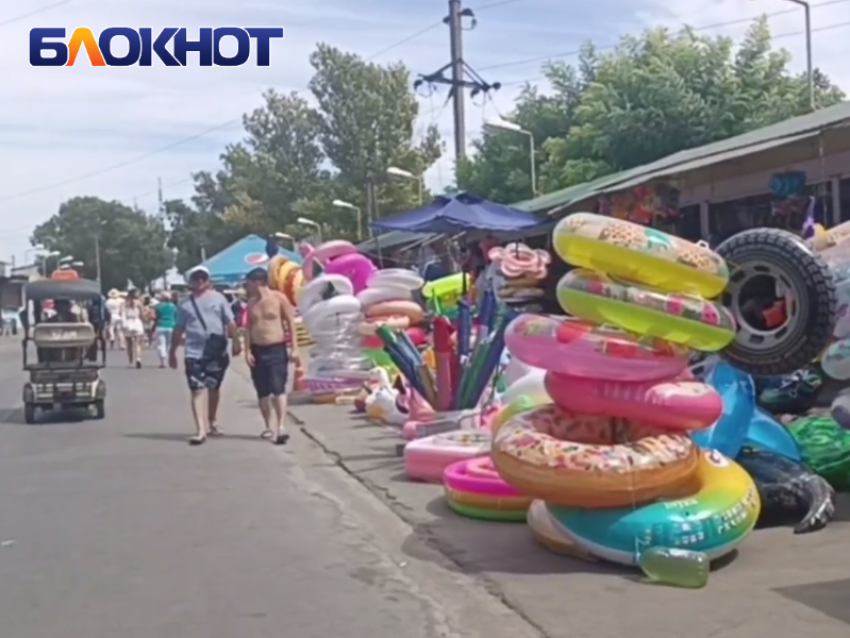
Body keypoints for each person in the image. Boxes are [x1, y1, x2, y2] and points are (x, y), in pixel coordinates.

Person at [169, 266, 241, 445]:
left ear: (208, 280)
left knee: (213, 387)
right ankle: (200, 430)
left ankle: (212, 420)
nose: (200, 281)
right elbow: (178, 329)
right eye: (196, 278)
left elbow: (230, 322)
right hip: (193, 352)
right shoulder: (184, 304)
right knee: (196, 389)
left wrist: (237, 342)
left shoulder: (219, 299)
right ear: (190, 282)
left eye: (203, 278)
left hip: (215, 351)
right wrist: (172, 352)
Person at [243, 267, 298, 444]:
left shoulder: (278, 298)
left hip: (276, 348)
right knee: (262, 391)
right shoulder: (251, 303)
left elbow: (290, 322)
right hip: (258, 350)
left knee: (278, 387)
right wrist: (247, 350)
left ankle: (281, 426)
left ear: (258, 282)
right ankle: (268, 425)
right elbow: (248, 328)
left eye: (249, 283)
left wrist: (294, 348)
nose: (247, 287)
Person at [154, 291, 178, 368]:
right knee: (169, 344)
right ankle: (168, 359)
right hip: (171, 325)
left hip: (160, 325)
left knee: (161, 344)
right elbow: (176, 316)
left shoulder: (158, 306)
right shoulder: (173, 306)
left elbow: (155, 317)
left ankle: (162, 361)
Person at [122, 290, 145, 368]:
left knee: (129, 344)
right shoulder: (139, 303)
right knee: (138, 343)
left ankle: (130, 361)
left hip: (128, 323)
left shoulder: (124, 303)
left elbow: (120, 313)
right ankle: (138, 358)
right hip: (137, 322)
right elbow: (142, 314)